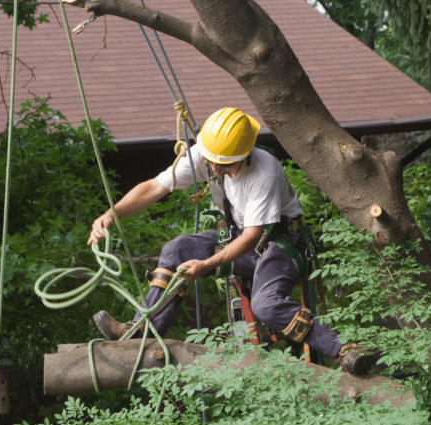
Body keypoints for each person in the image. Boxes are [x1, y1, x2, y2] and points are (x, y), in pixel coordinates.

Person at [88, 107, 371, 376]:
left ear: (242, 155)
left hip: (281, 242)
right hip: (242, 236)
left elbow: (252, 237)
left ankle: (343, 350)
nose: (211, 166)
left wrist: (207, 264)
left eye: (220, 162)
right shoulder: (210, 153)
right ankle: (141, 332)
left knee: (266, 304)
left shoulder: (264, 173)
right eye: (210, 159)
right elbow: (154, 187)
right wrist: (112, 214)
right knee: (177, 249)